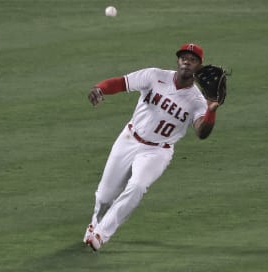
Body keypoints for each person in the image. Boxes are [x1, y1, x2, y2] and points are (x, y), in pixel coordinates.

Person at [83, 43, 221, 251]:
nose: (186, 61)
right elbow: (121, 83)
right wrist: (100, 88)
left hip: (157, 151)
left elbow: (202, 132)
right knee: (104, 196)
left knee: (137, 186)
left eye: (192, 60)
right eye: (183, 57)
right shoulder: (154, 75)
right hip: (129, 139)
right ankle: (95, 223)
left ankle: (102, 234)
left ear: (198, 66)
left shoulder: (197, 101)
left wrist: (211, 110)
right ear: (178, 61)